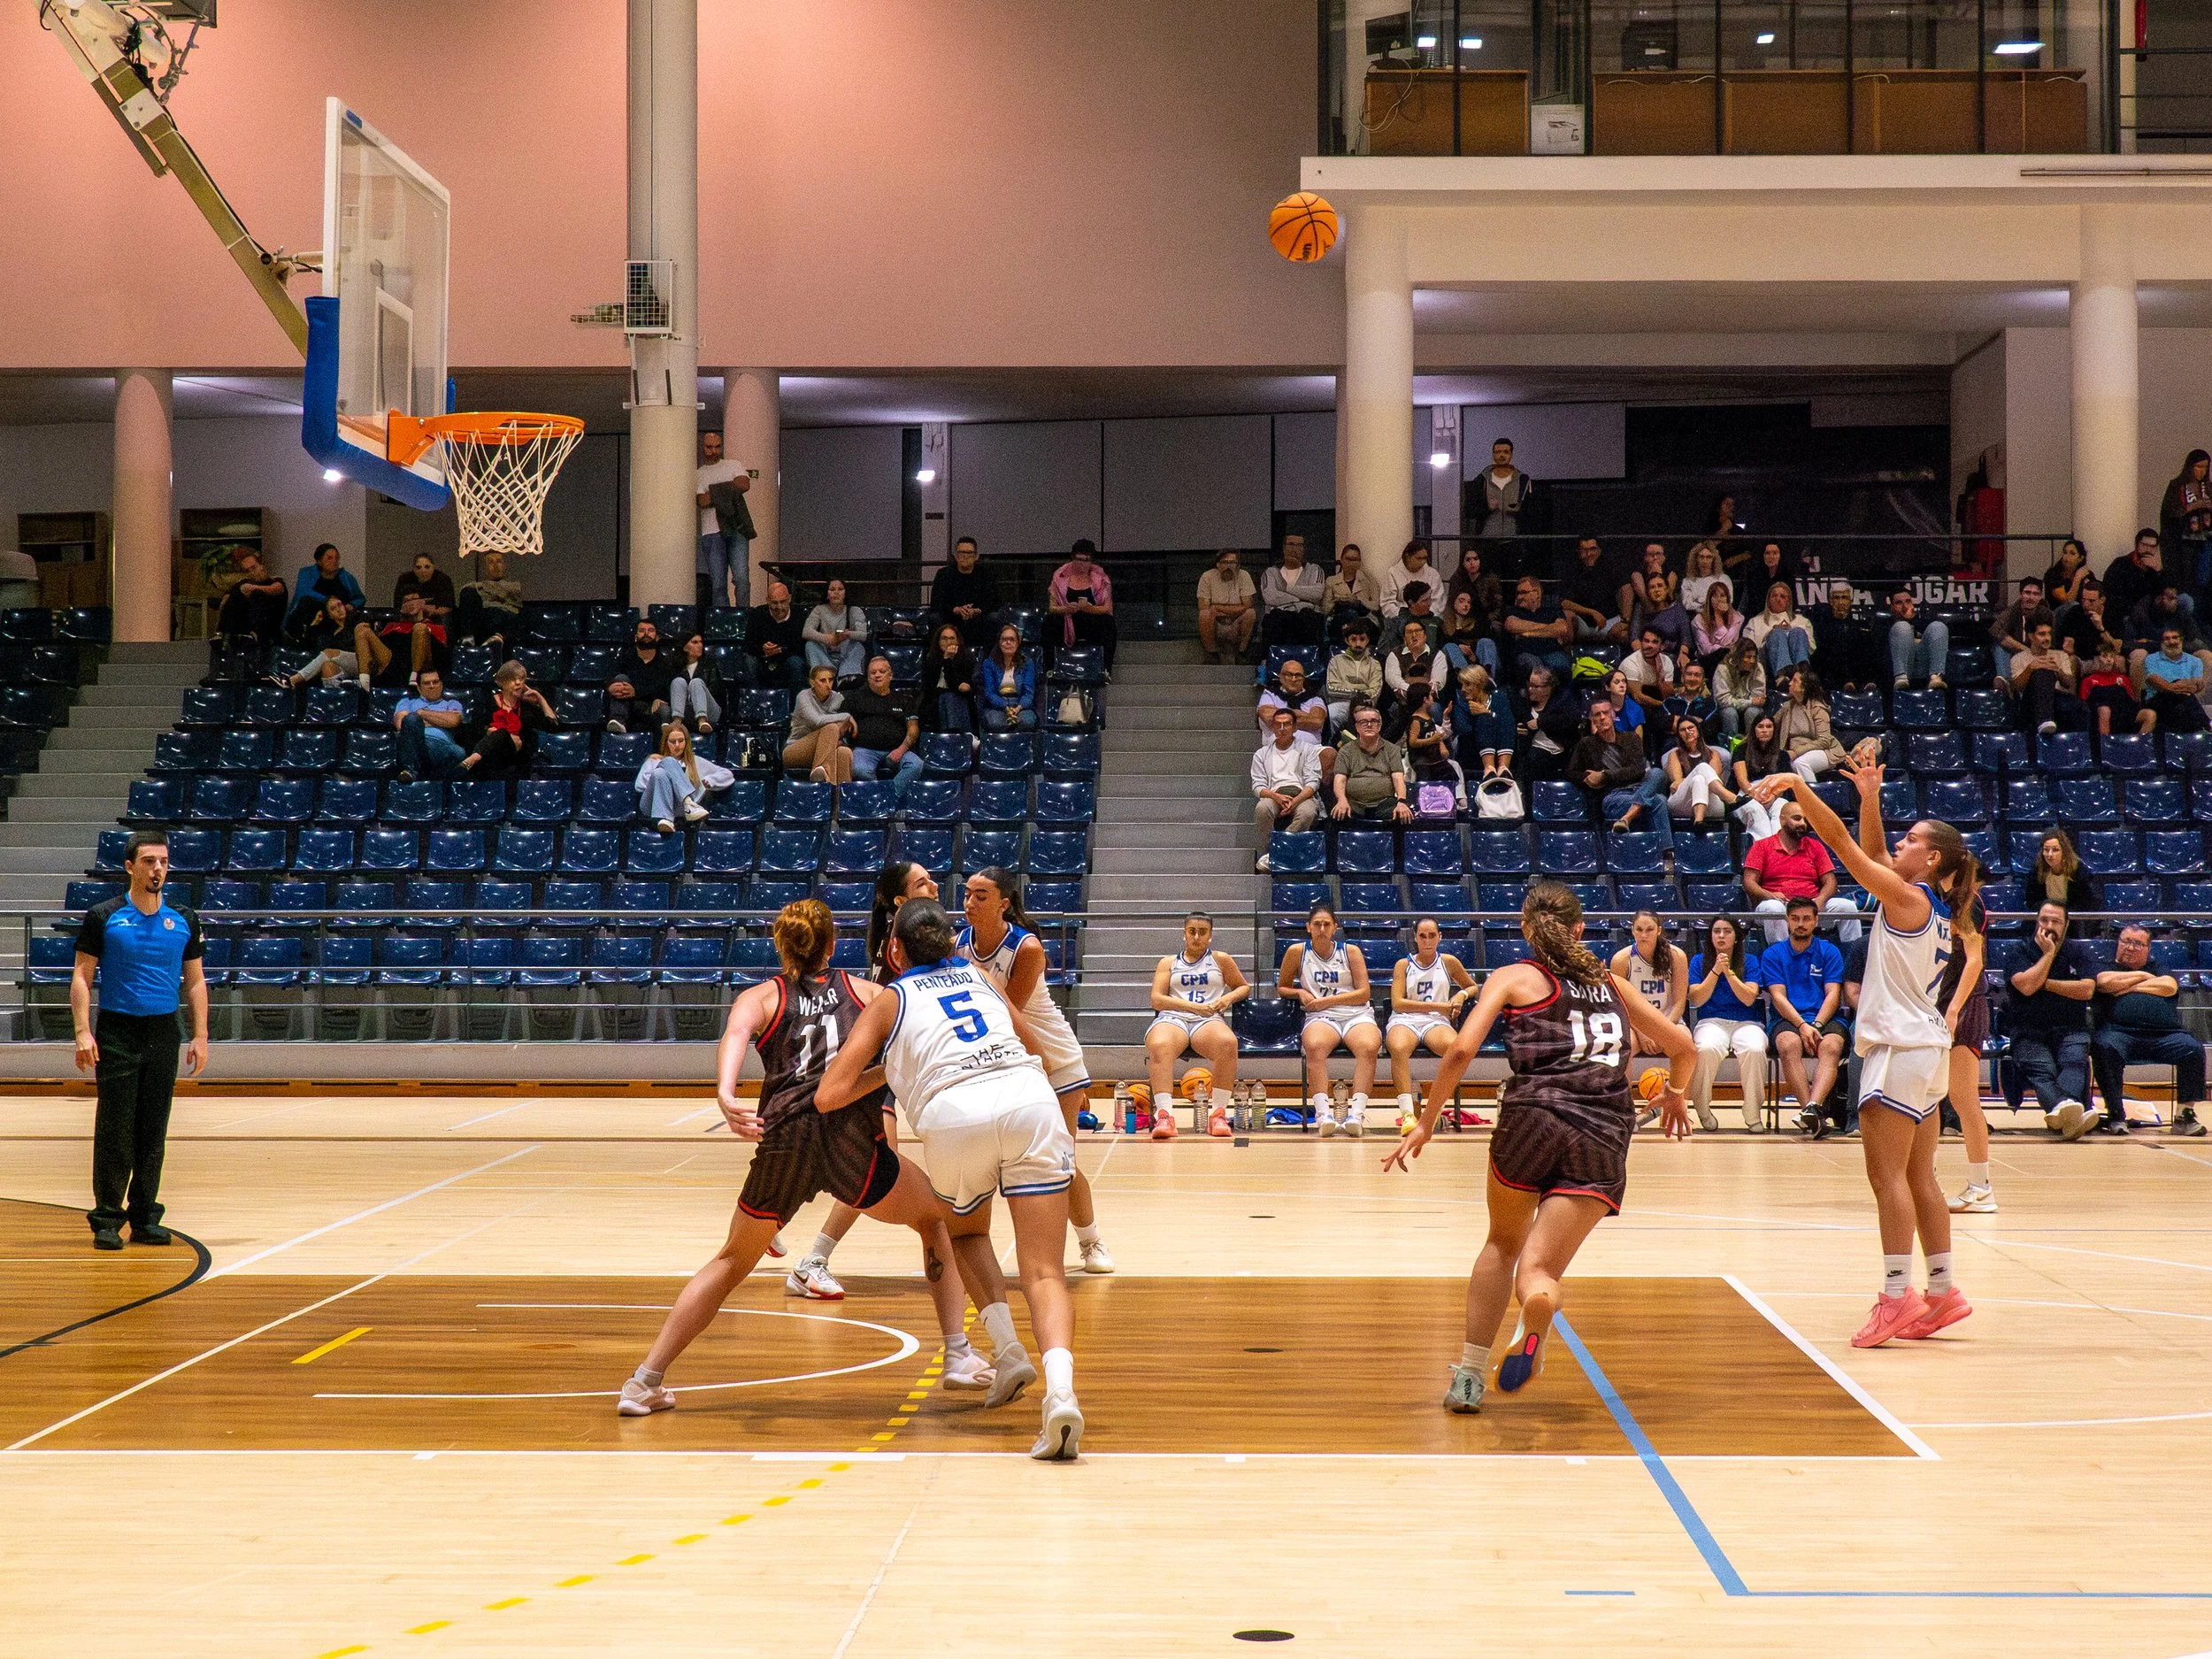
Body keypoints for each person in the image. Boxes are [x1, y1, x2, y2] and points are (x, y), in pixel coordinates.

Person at [616, 901, 995, 1420]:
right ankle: (958, 1353)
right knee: (935, 1220)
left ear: (782, 945)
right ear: (833, 944)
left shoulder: (761, 997)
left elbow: (733, 1036)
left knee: (730, 1262)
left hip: (785, 1140)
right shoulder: (870, 994)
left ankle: (644, 1382)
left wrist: (726, 1094)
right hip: (850, 1141)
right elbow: (911, 1046)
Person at [1384, 882, 1694, 1413]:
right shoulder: (1616, 984)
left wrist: (1427, 1121)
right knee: (1538, 1270)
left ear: (1527, 930)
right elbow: (1683, 1047)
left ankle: (1469, 1378)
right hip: (1603, 1129)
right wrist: (1676, 1094)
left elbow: (1460, 1050)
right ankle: (1540, 1302)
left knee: (1502, 1244)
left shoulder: (1515, 977)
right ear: (1579, 930)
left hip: (1529, 1120)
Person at [818, 898, 1087, 1460]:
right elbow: (1033, 1049)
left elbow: (829, 1094)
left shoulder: (890, 999)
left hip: (953, 1112)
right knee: (1045, 1272)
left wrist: (890, 1070)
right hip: (1027, 1097)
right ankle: (1061, 1395)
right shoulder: (980, 976)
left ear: (894, 950)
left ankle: (1009, 1351)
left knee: (965, 1232)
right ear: (950, 944)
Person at [1749, 763, 1979, 1346]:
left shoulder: (1905, 896)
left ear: (1931, 860)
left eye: (1913, 840)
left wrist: (1801, 790)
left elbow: (1848, 847)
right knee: (1920, 1175)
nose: (1900, 844)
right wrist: (1870, 796)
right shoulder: (1932, 906)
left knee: (1886, 1178)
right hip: (1926, 1049)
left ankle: (1897, 1296)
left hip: (1898, 1048)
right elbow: (1872, 847)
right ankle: (1943, 1287)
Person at [961, 868, 1114, 1267]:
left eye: (981, 896)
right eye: (967, 894)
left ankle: (1091, 1242)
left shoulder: (1026, 948)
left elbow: (1004, 1013)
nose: (970, 903)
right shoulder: (959, 944)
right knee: (990, 1161)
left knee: (1060, 1158)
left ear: (1004, 904)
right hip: (1008, 1063)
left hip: (1054, 1060)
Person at [70, 830, 209, 1251]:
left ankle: (145, 1216)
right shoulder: (104, 915)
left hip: (163, 1031)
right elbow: (82, 975)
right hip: (118, 1030)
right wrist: (81, 1030)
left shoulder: (184, 918)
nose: (158, 869)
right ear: (130, 867)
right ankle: (108, 1218)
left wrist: (200, 1035)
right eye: (149, 861)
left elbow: (197, 981)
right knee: (115, 1126)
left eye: (164, 861)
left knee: (153, 1128)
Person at [2090, 925, 2208, 1140]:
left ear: (2148, 947)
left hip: (2164, 1035)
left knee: (2192, 1048)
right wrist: (2144, 977)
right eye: (2126, 941)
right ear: (2118, 943)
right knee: (2103, 1046)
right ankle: (2116, 1115)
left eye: (2138, 944)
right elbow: (2104, 982)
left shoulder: (2159, 967)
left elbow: (2169, 986)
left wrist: (2127, 987)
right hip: (2119, 1033)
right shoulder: (2105, 966)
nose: (2131, 947)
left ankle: (2184, 1116)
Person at [1279, 902, 1380, 1135]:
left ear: (1335, 927)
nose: (1322, 928)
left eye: (1326, 924)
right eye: (1317, 924)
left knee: (1369, 1046)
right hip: (1321, 1016)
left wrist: (1327, 1001)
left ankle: (1357, 1114)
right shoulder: (1297, 951)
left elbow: (1364, 993)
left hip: (1356, 1013)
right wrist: (1300, 992)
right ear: (1308, 927)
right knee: (1314, 1046)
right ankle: (1323, 1115)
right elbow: (1282, 987)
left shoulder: (1350, 951)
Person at [2001, 902, 2096, 1139]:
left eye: (2055, 922)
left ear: (2066, 925)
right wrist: (2049, 954)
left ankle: (2064, 1112)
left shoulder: (2078, 951)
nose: (2049, 926)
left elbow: (2087, 990)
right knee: (2043, 1071)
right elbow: (2025, 986)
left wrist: (2045, 984)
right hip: (2029, 1031)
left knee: (2075, 1063)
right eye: (2044, 920)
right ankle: (2070, 1112)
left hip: (2071, 1028)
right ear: (2037, 921)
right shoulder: (2019, 951)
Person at [1146, 912, 1249, 1125]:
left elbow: (1244, 987)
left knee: (1228, 1043)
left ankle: (1218, 1115)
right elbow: (1156, 999)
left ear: (1210, 936)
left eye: (1202, 932)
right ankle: (1164, 1116)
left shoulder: (1220, 959)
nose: (1196, 937)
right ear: (1184, 933)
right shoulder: (1168, 962)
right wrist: (1193, 1007)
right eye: (1192, 931)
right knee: (1160, 1044)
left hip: (1208, 1020)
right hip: (1174, 1018)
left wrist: (1227, 998)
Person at [1760, 895, 1848, 1136]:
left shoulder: (1829, 951)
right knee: (1789, 1045)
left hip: (1825, 1018)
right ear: (1787, 921)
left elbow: (1833, 993)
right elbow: (1778, 997)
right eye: (1795, 918)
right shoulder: (1774, 954)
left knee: (1831, 1046)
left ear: (1816, 921)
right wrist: (1802, 1025)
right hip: (1787, 1019)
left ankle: (1812, 1111)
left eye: (1806, 919)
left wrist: (1817, 1024)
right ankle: (1811, 1113)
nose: (1801, 923)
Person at [1385, 918, 1476, 1135]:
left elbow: (1473, 987)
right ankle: (1407, 1114)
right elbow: (1398, 1002)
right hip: (1405, 1019)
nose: (1427, 940)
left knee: (1456, 1049)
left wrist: (1461, 995)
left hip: (1436, 1021)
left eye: (1432, 935)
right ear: (1415, 938)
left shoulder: (1449, 962)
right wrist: (1440, 1005)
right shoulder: (1404, 965)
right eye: (1422, 936)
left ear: (1440, 937)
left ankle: (1434, 1110)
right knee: (1398, 1047)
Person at [1936, 887, 1992, 1211]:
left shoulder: (1967, 902)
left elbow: (1974, 960)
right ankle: (1927, 1180)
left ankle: (1981, 1187)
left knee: (1963, 1098)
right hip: (1938, 1001)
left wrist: (1954, 1010)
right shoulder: (1931, 895)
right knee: (1930, 1097)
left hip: (1964, 1004)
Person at [1744, 797, 1863, 943]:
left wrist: (1820, 900)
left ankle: (1853, 956)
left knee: (1847, 907)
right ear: (1782, 820)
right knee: (1772, 908)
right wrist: (1770, 895)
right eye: (1797, 818)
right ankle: (1782, 957)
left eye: (1805, 820)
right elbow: (1749, 882)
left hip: (1812, 904)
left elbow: (1830, 882)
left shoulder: (1815, 846)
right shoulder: (1762, 846)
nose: (1803, 824)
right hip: (1780, 904)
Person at [1690, 916, 1768, 1133]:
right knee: (1706, 1048)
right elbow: (1697, 999)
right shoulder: (1698, 961)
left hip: (1747, 1022)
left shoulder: (1750, 960)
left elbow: (1748, 998)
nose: (1721, 936)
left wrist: (1729, 972)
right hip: (1712, 1021)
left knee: (1754, 1048)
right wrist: (1716, 970)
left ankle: (1752, 1114)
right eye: (1716, 931)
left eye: (1727, 931)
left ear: (1736, 937)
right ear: (1710, 936)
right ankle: (1703, 1110)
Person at [1610, 910, 1687, 1122]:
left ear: (1659, 931)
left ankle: (1679, 1108)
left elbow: (1680, 1002)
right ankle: (1624, 1111)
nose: (1644, 934)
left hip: (1668, 1019)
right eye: (1639, 929)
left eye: (1650, 929)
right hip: (1635, 1024)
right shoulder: (1622, 959)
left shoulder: (1677, 956)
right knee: (1621, 1046)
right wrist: (1644, 1033)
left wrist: (1662, 1031)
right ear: (1632, 931)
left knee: (1687, 1045)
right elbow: (1620, 1004)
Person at [1569, 698, 1666, 841]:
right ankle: (1667, 854)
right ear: (1592, 719)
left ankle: (1627, 817)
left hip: (1638, 789)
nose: (1602, 717)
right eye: (1597, 714)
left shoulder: (1631, 738)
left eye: (1606, 713)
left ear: (1613, 716)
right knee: (1659, 800)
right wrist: (1588, 778)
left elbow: (1638, 770)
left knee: (1657, 773)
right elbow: (1571, 773)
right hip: (1613, 796)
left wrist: (1605, 775)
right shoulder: (1586, 744)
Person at [457, 660, 558, 778]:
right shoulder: (487, 703)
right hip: (489, 758)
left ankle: (471, 761)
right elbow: (474, 730)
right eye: (512, 679)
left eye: (521, 678)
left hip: (514, 760)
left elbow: (553, 727)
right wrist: (492, 732)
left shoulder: (527, 709)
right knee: (502, 733)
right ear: (501, 682)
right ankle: (474, 758)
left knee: (503, 733)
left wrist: (540, 699)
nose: (518, 682)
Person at [841, 655, 923, 799]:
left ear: (890, 675)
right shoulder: (854, 698)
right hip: (865, 750)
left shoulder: (904, 699)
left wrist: (901, 750)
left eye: (882, 671)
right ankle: (880, 799)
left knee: (916, 765)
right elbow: (840, 723)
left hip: (898, 749)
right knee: (859, 769)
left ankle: (888, 799)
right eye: (873, 673)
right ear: (867, 677)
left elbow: (913, 729)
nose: (877, 675)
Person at [1251, 706, 1323, 863]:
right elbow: (1257, 786)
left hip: (1302, 795)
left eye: (1287, 724)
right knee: (1262, 808)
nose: (1282, 728)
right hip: (1275, 794)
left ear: (1295, 727)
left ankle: (1277, 852)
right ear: (1273, 727)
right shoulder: (1261, 754)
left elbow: (1313, 782)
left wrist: (1295, 801)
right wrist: (1275, 796)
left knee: (1308, 813)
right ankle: (1271, 850)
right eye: (1278, 724)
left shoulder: (1308, 750)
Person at [635, 720, 731, 833]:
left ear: (686, 742)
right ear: (666, 743)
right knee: (661, 771)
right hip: (651, 807)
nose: (677, 745)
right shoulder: (655, 761)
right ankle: (687, 802)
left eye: (680, 741)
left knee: (659, 772)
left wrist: (711, 780)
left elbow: (727, 774)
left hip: (678, 810)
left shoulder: (696, 762)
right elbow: (639, 786)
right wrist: (663, 782)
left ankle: (667, 820)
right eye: (672, 741)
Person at [695, 429, 752, 609]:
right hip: (711, 532)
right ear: (703, 447)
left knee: (742, 579)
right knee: (718, 585)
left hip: (736, 528)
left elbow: (744, 484)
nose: (714, 451)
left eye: (718, 447)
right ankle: (723, 621)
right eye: (710, 447)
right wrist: (729, 490)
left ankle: (743, 617)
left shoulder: (733, 465)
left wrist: (713, 492)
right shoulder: (698, 474)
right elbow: (702, 501)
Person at [209, 549, 287, 677]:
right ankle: (224, 633)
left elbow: (277, 589)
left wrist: (254, 588)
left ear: (262, 566)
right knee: (234, 597)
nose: (252, 572)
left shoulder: (276, 582)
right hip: (243, 626)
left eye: (254, 567)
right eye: (248, 570)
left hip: (268, 627)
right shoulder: (244, 584)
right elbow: (226, 600)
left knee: (256, 595)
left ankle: (243, 634)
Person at [1330, 704, 1413, 824]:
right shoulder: (1345, 751)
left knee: (1404, 815)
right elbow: (1340, 779)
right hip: (1353, 804)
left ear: (1380, 725)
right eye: (1363, 722)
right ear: (1357, 727)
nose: (1369, 725)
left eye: (1374, 721)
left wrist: (1401, 801)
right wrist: (1341, 800)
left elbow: (1398, 777)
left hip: (1384, 804)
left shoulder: (1392, 749)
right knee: (1335, 817)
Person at [1048, 539, 1116, 674]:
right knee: (1049, 623)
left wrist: (1087, 608)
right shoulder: (1059, 575)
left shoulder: (1101, 577)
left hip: (1091, 619)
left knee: (1108, 623)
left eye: (1086, 560)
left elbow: (1107, 608)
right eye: (1079, 560)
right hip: (1067, 618)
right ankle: (1050, 669)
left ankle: (1106, 670)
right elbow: (1052, 607)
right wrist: (1066, 609)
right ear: (1072, 558)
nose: (1082, 564)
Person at [358, 588, 449, 689]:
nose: (410, 603)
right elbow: (378, 652)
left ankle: (414, 680)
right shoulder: (392, 627)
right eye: (406, 601)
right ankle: (364, 685)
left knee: (420, 627)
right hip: (392, 664)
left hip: (424, 667)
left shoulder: (434, 627)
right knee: (362, 628)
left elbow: (442, 658)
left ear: (423, 603)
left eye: (414, 599)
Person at [2008, 618, 2085, 736]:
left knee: (2081, 706)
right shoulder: (2018, 658)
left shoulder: (2060, 655)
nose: (2047, 638)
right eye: (2042, 634)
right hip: (2030, 703)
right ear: (2031, 636)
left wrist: (2057, 670)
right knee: (2042, 673)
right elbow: (2018, 687)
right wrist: (2031, 668)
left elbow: (2069, 684)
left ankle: (2078, 741)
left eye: (2049, 633)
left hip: (2055, 701)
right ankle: (2044, 720)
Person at [783, 664, 856, 783]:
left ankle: (840, 799)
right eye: (822, 680)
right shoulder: (804, 696)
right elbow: (816, 721)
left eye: (830, 680)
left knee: (844, 752)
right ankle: (822, 773)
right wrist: (846, 716)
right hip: (796, 749)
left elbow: (842, 729)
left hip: (825, 747)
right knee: (831, 728)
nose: (828, 684)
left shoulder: (838, 698)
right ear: (812, 682)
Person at [1777, 668, 1851, 782]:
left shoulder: (1818, 709)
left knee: (1800, 763)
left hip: (1824, 750)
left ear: (1804, 687)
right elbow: (1768, 724)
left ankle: (1814, 797)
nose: (1790, 683)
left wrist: (1796, 752)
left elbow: (1824, 741)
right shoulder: (1787, 707)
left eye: (1795, 681)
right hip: (1793, 752)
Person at [1662, 715, 1736, 828]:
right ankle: (1730, 798)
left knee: (1699, 779)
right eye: (1682, 729)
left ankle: (1698, 821)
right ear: (1679, 735)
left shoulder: (1713, 754)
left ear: (1698, 730)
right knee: (1700, 772)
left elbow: (1717, 782)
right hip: (1683, 802)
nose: (1687, 731)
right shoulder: (1674, 754)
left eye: (1691, 727)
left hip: (1711, 803)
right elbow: (1678, 782)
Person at [394, 668, 467, 780]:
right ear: (419, 687)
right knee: (412, 719)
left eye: (436, 682)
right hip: (414, 743)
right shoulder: (406, 702)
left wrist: (421, 713)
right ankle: (409, 771)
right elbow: (401, 724)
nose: (432, 686)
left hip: (441, 747)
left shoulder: (452, 703)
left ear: (441, 684)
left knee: (459, 752)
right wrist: (438, 721)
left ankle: (415, 772)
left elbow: (453, 721)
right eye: (427, 683)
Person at [1259, 531, 1327, 652]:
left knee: (1309, 617)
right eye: (1291, 544)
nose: (1294, 549)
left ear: (1303, 549)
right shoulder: (1271, 572)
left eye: (1299, 545)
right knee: (1275, 618)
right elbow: (1270, 597)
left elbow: (1316, 594)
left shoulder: (1315, 570)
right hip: (1280, 614)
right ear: (1284, 549)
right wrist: (1300, 598)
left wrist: (1287, 589)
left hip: (1306, 615)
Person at [929, 534, 999, 652]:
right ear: (956, 556)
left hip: (977, 620)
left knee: (993, 618)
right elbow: (937, 602)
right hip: (951, 619)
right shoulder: (944, 574)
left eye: (969, 553)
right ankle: (937, 659)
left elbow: (993, 600)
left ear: (976, 556)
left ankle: (989, 662)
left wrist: (976, 610)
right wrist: (956, 609)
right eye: (961, 553)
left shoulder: (986, 574)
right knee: (935, 618)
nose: (965, 556)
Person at [606, 618, 674, 734]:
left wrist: (636, 692)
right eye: (642, 630)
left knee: (664, 709)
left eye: (651, 630)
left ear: (657, 637)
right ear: (635, 636)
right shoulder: (625, 658)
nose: (646, 634)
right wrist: (610, 687)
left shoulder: (666, 663)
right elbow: (609, 677)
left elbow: (666, 689)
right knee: (621, 678)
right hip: (627, 705)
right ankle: (618, 722)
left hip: (652, 707)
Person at [1502, 572, 1571, 688]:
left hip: (1551, 651)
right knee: (1535, 668)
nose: (1519, 597)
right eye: (1518, 593)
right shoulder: (1513, 611)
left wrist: (1529, 633)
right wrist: (1549, 628)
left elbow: (1562, 629)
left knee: (1562, 665)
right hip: (1526, 653)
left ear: (1537, 593)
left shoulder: (1552, 610)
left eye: (1523, 592)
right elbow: (1512, 625)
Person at [1471, 437, 1533, 561]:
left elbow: (1532, 512)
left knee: (1512, 578)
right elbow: (1470, 511)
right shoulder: (1481, 479)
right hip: (1487, 541)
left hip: (1514, 541)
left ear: (1511, 454)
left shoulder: (1523, 480)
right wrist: (1488, 508)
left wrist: (1518, 511)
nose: (1502, 455)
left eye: (1506, 452)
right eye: (1498, 452)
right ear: (1493, 454)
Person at [2141, 626, 2212, 733]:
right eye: (2167, 638)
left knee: (2182, 709)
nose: (2172, 642)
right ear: (2161, 642)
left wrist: (2178, 686)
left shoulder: (2195, 661)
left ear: (2181, 639)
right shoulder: (2152, 659)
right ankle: (2207, 724)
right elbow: (2157, 682)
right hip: (2158, 701)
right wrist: (2179, 685)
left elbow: (2197, 686)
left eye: (2175, 637)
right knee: (2183, 695)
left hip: (2184, 702)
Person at [1812, 584, 1883, 692]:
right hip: (1832, 673)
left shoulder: (1860, 626)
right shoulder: (1822, 628)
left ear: (1850, 601)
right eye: (1837, 598)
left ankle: (1866, 681)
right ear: (1831, 601)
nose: (1841, 603)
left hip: (1856, 668)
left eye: (1844, 598)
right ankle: (1846, 682)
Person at [1559, 535, 1626, 646]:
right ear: (1579, 552)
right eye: (1584, 550)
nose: (1589, 554)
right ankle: (1567, 657)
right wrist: (1592, 612)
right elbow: (1564, 602)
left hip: (1609, 621)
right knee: (1567, 615)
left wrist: (1625, 620)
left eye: (1592, 549)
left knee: (1623, 635)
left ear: (1599, 551)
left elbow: (1625, 588)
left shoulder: (1611, 568)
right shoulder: (1571, 571)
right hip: (1583, 624)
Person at [282, 541, 365, 632]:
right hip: (312, 620)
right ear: (319, 561)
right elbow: (302, 593)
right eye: (329, 558)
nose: (334, 561)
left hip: (340, 621)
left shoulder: (347, 577)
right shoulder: (307, 573)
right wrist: (328, 601)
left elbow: (360, 598)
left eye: (336, 558)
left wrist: (352, 605)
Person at [2102, 527, 2178, 625]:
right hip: (2128, 609)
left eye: (2152, 546)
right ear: (2137, 545)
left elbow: (2169, 591)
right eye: (2144, 545)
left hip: (2154, 608)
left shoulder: (2155, 566)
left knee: (2185, 600)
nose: (2148, 550)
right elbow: (2111, 593)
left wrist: (2159, 571)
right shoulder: (2121, 564)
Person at [1732, 711, 1788, 841]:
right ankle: (1766, 850)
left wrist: (1773, 795)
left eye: (1769, 726)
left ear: (1774, 729)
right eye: (1760, 726)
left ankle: (1780, 851)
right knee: (1756, 811)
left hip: (1774, 793)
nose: (1765, 730)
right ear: (1754, 729)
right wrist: (1755, 795)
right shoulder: (1741, 750)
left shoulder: (1782, 755)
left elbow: (1785, 783)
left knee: (1782, 808)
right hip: (1747, 793)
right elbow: (1741, 780)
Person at [1516, 666, 1578, 782]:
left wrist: (1541, 722)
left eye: (1535, 686)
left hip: (1556, 750)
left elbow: (1570, 720)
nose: (1530, 689)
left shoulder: (1562, 700)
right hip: (1529, 749)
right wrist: (1516, 730)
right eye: (1529, 684)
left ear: (1548, 688)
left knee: (1533, 760)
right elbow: (1518, 721)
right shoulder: (1524, 701)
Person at [2162, 450, 2212, 595]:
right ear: (2190, 467)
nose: (2202, 471)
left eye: (2205, 467)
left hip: (2206, 541)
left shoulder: (2209, 487)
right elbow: (2170, 513)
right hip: (2182, 544)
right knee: (2186, 582)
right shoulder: (2177, 486)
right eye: (2198, 467)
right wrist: (2193, 506)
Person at [667, 629, 733, 736]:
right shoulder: (675, 668)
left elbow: (715, 691)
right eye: (695, 642)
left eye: (701, 642)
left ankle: (702, 721)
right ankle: (677, 721)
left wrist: (695, 695)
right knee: (678, 681)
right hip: (685, 710)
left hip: (709, 710)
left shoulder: (710, 665)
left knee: (696, 682)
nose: (700, 645)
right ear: (684, 647)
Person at [451, 549, 523, 649]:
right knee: (468, 593)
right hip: (487, 618)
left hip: (506, 618)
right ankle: (468, 638)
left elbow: (511, 600)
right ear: (485, 568)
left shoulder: (513, 586)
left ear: (504, 565)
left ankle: (498, 639)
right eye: (490, 562)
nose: (495, 565)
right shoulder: (476, 587)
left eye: (498, 561)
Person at [2024, 829, 2098, 925]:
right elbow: (2031, 901)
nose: (2050, 855)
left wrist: (2062, 914)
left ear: (2064, 851)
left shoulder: (2079, 871)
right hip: (2046, 917)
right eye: (2046, 850)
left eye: (2055, 850)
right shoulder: (2037, 870)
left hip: (2071, 920)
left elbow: (2086, 903)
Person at [1196, 548, 1256, 664]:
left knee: (1250, 613)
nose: (1229, 566)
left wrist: (1217, 607)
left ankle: (1241, 652)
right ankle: (1212, 654)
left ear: (1237, 565)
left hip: (1237, 621)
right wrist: (1236, 608)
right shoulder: (1207, 577)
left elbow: (1248, 605)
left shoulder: (1244, 575)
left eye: (1232, 562)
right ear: (1218, 564)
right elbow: (1203, 606)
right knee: (1204, 615)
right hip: (1216, 622)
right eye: (1225, 562)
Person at [1744, 580, 1814, 679]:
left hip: (1796, 662)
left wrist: (1791, 634)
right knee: (1777, 634)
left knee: (1798, 632)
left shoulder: (1802, 621)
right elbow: (1747, 647)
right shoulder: (1755, 622)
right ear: (1768, 600)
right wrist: (1770, 633)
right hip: (1766, 664)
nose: (1778, 599)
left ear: (1789, 601)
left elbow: (1811, 648)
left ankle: (1802, 675)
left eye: (1782, 596)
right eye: (1774, 596)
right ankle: (1781, 677)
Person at [747, 580, 808, 690]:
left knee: (796, 663)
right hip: (763, 661)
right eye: (774, 603)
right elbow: (748, 644)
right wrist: (763, 650)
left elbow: (802, 647)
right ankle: (754, 703)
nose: (779, 607)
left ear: (789, 598)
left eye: (783, 601)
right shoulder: (757, 614)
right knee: (749, 662)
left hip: (788, 661)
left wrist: (780, 651)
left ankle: (797, 706)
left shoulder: (800, 616)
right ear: (768, 601)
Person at [916, 622, 976, 733]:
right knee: (946, 697)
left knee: (949, 697)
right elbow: (929, 687)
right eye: (944, 639)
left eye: (952, 638)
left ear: (958, 641)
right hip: (934, 701)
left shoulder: (967, 659)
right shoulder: (930, 658)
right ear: (938, 642)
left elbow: (959, 687)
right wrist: (945, 658)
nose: (948, 642)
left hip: (959, 700)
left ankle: (953, 736)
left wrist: (948, 660)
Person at [1883, 588, 1949, 689]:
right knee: (1902, 626)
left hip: (1924, 666)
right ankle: (1901, 679)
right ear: (1892, 607)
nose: (1905, 606)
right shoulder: (1885, 625)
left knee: (1938, 626)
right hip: (1899, 667)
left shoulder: (1923, 622)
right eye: (1899, 603)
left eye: (1908, 602)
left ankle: (1936, 678)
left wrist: (1911, 619)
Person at [803, 577, 868, 680]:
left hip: (846, 654)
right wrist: (827, 638)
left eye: (840, 589)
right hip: (825, 654)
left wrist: (848, 634)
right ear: (827, 594)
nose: (836, 593)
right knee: (810, 645)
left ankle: (846, 677)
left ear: (845, 593)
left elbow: (864, 635)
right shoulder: (819, 609)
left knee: (857, 646)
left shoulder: (855, 610)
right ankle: (827, 674)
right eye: (832, 589)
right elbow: (806, 632)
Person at [978, 622, 1038, 732]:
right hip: (997, 705)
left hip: (1020, 704)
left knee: (1028, 722)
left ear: (1018, 642)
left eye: (1012, 639)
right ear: (999, 643)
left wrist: (1018, 708)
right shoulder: (989, 663)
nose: (1008, 642)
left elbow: (1029, 693)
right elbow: (990, 693)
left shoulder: (1027, 663)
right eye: (1004, 639)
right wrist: (1006, 707)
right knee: (994, 723)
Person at [1455, 665, 1512, 779]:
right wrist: (1483, 715)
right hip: (1472, 749)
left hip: (1499, 746)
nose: (1463, 689)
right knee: (1485, 719)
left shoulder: (1499, 697)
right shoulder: (1461, 702)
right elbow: (1463, 728)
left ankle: (1503, 768)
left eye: (1467, 684)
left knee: (1507, 721)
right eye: (1462, 685)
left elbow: (1507, 722)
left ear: (1479, 684)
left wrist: (1488, 712)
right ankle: (1489, 768)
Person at [1324, 623, 1383, 729]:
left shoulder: (1374, 664)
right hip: (1342, 704)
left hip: (1366, 705)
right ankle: (1331, 744)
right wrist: (1359, 693)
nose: (1358, 643)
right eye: (1353, 639)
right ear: (1347, 640)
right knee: (1331, 714)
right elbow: (1331, 689)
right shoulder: (1336, 661)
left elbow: (1375, 691)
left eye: (1362, 639)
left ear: (1368, 641)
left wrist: (1359, 698)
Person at [1714, 635, 1767, 739]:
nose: (1752, 661)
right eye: (1748, 657)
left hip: (1749, 708)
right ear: (1738, 656)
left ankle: (1752, 745)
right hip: (1728, 708)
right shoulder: (1723, 669)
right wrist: (1749, 702)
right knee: (1729, 713)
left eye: (1754, 657)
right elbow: (1723, 700)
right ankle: (1731, 747)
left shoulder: (1758, 668)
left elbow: (1759, 698)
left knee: (1753, 712)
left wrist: (1751, 703)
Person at [1323, 542, 1381, 635]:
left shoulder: (1368, 581)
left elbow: (1376, 606)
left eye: (1355, 560)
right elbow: (1326, 609)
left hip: (1363, 618)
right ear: (1341, 560)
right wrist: (1341, 600)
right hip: (1340, 618)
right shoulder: (1332, 581)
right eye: (1348, 559)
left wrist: (1361, 601)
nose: (1351, 563)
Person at [1989, 576, 2055, 658]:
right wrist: (2024, 649)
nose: (2031, 598)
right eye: (2027, 593)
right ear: (2021, 594)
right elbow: (1995, 630)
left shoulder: (2047, 614)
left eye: (2035, 594)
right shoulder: (2012, 611)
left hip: (2039, 653)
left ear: (2040, 596)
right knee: (1998, 648)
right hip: (2015, 652)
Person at [1379, 539, 1436, 618]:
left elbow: (1438, 601)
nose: (1422, 562)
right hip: (1400, 619)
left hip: (1428, 618)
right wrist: (1407, 618)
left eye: (1425, 558)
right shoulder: (1393, 573)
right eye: (1418, 558)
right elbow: (1387, 604)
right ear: (1407, 556)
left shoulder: (1432, 574)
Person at [392, 551, 456, 621]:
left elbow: (448, 607)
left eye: (427, 567)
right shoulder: (405, 580)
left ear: (433, 567)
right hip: (409, 617)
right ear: (414, 569)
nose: (423, 571)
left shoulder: (442, 580)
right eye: (418, 567)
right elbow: (398, 606)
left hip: (437, 618)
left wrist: (423, 607)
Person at [1678, 541, 1730, 617]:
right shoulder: (1687, 581)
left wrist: (1699, 600)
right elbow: (1688, 604)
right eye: (1701, 557)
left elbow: (1728, 602)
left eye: (1709, 557)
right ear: (1696, 559)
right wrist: (1710, 603)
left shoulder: (1724, 579)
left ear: (1714, 559)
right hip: (1696, 618)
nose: (1705, 561)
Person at [2044, 537, 2090, 608]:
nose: (2067, 557)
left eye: (2072, 553)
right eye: (2065, 552)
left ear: (2080, 558)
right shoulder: (2053, 575)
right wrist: (2077, 580)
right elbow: (2068, 603)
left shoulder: (2086, 575)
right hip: (2059, 614)